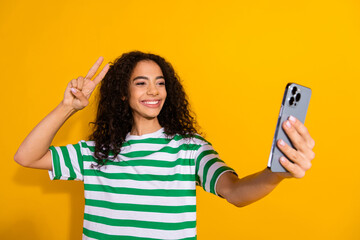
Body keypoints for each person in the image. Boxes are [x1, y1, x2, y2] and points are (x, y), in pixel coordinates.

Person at [14, 51, 315, 240]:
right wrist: (68, 107)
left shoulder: (190, 149)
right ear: (123, 93)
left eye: (160, 82)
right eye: (141, 82)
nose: (154, 91)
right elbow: (27, 156)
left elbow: (235, 192)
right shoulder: (97, 151)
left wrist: (278, 173)